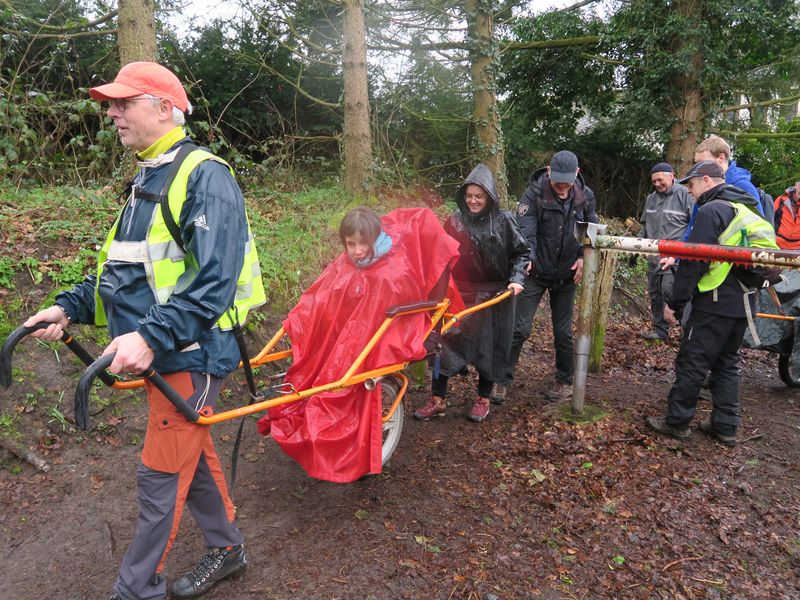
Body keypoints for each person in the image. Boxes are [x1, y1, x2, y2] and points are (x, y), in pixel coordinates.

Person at [22, 62, 266, 600]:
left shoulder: (205, 176)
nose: (111, 112)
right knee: (189, 454)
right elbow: (122, 275)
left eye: (123, 102)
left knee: (159, 480)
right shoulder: (148, 177)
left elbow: (214, 282)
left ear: (163, 107)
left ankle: (134, 591)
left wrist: (151, 336)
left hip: (197, 353)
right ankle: (227, 549)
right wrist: (67, 309)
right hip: (164, 353)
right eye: (110, 103)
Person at [259, 206, 461, 481]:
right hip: (348, 336)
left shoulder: (392, 271)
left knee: (340, 384)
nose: (356, 250)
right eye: (350, 244)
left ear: (374, 239)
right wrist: (300, 320)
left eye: (362, 244)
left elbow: (399, 309)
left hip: (382, 335)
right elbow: (322, 297)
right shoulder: (345, 263)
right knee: (313, 375)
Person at [645, 160, 779, 448]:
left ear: (706, 180)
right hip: (744, 302)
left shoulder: (711, 211)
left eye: (691, 185)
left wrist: (676, 303)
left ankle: (677, 422)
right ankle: (725, 426)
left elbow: (694, 262)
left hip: (715, 302)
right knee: (726, 364)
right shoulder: (745, 209)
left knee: (693, 361)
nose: (691, 193)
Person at [413, 164, 528, 422]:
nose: (473, 201)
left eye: (479, 196)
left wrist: (516, 279)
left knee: (490, 347)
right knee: (444, 343)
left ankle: (483, 398)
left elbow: (522, 253)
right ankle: (438, 398)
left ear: (489, 196)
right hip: (460, 293)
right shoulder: (455, 221)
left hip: (495, 294)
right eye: (469, 196)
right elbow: (441, 255)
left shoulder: (504, 220)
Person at [502, 150, 598, 402]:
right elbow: (526, 234)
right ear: (548, 171)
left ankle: (565, 380)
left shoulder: (585, 197)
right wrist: (529, 259)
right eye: (558, 180)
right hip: (536, 272)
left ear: (577, 173)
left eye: (567, 179)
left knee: (563, 331)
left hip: (566, 274)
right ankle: (501, 379)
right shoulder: (532, 196)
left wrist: (581, 257)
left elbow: (592, 231)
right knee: (519, 328)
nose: (563, 185)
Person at [638, 162, 692, 341]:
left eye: (660, 180)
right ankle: (660, 331)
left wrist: (685, 253)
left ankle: (687, 330)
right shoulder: (651, 198)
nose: (656, 184)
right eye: (653, 181)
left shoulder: (685, 195)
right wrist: (636, 247)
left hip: (674, 258)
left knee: (670, 291)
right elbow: (644, 224)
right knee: (655, 294)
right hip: (653, 256)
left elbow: (693, 226)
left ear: (671, 175)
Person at [693, 134, 774, 225]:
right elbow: (693, 225)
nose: (697, 168)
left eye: (702, 163)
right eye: (696, 163)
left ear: (721, 159)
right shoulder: (703, 185)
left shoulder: (743, 186)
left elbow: (759, 228)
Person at [773, 181, 800, 250]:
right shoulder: (781, 200)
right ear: (796, 185)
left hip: (798, 248)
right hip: (777, 246)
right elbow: (769, 219)